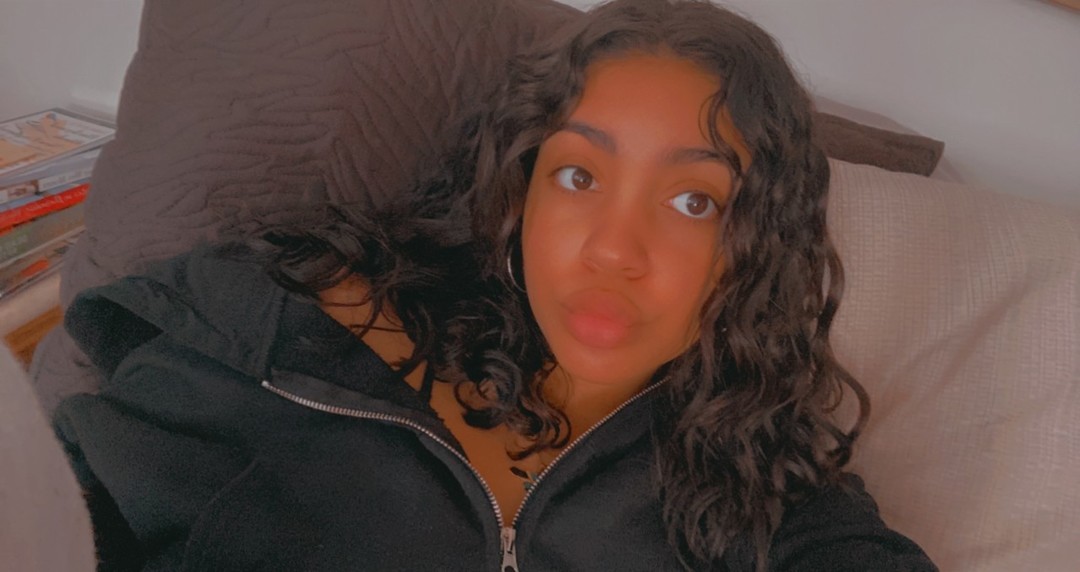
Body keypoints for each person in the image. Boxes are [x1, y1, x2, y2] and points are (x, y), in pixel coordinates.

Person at [53, 0, 936, 570]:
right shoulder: (285, 335)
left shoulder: (766, 490)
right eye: (580, 177)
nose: (615, 250)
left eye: (693, 200)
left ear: (756, 246)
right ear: (519, 196)